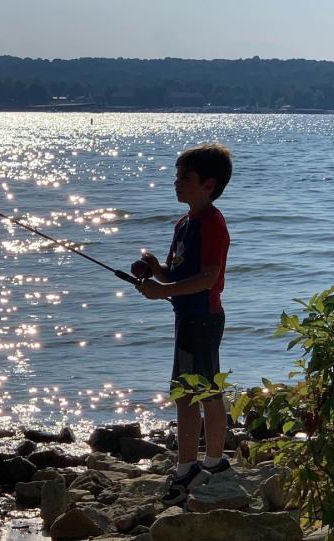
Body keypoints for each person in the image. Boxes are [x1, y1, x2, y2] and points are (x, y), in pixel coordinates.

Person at [135, 143, 232, 504]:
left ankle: (197, 464)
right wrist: (157, 270)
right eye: (177, 177)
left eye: (185, 178)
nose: (177, 183)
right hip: (188, 318)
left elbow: (208, 277)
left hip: (202, 319)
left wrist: (164, 291)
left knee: (194, 393)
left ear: (208, 184)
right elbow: (179, 272)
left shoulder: (212, 224)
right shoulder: (184, 222)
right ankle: (205, 461)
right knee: (193, 390)